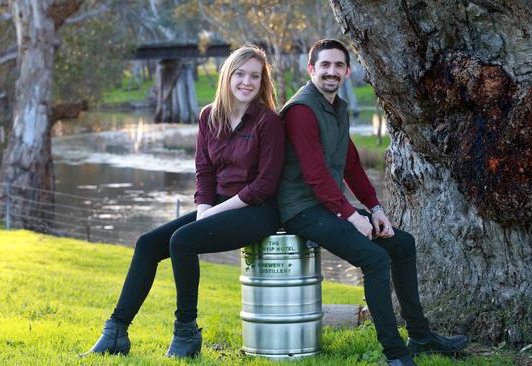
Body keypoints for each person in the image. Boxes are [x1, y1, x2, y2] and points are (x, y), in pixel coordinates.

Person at [80, 44, 285, 358]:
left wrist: (214, 212)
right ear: (227, 76)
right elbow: (204, 171)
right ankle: (116, 331)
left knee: (183, 241)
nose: (246, 81)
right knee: (148, 243)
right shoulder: (209, 116)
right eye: (240, 74)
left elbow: (265, 185)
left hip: (258, 211)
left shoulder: (267, 122)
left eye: (254, 76)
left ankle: (186, 333)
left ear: (262, 82)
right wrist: (204, 208)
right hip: (216, 205)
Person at [276, 39, 468, 366]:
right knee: (374, 259)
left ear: (348, 72)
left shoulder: (338, 108)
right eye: (324, 65)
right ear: (311, 69)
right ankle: (396, 354)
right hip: (300, 210)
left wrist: (376, 209)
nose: (331, 72)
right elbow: (315, 175)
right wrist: (351, 215)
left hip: (326, 206)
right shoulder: (301, 111)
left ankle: (420, 336)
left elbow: (350, 164)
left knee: (402, 243)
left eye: (338, 66)